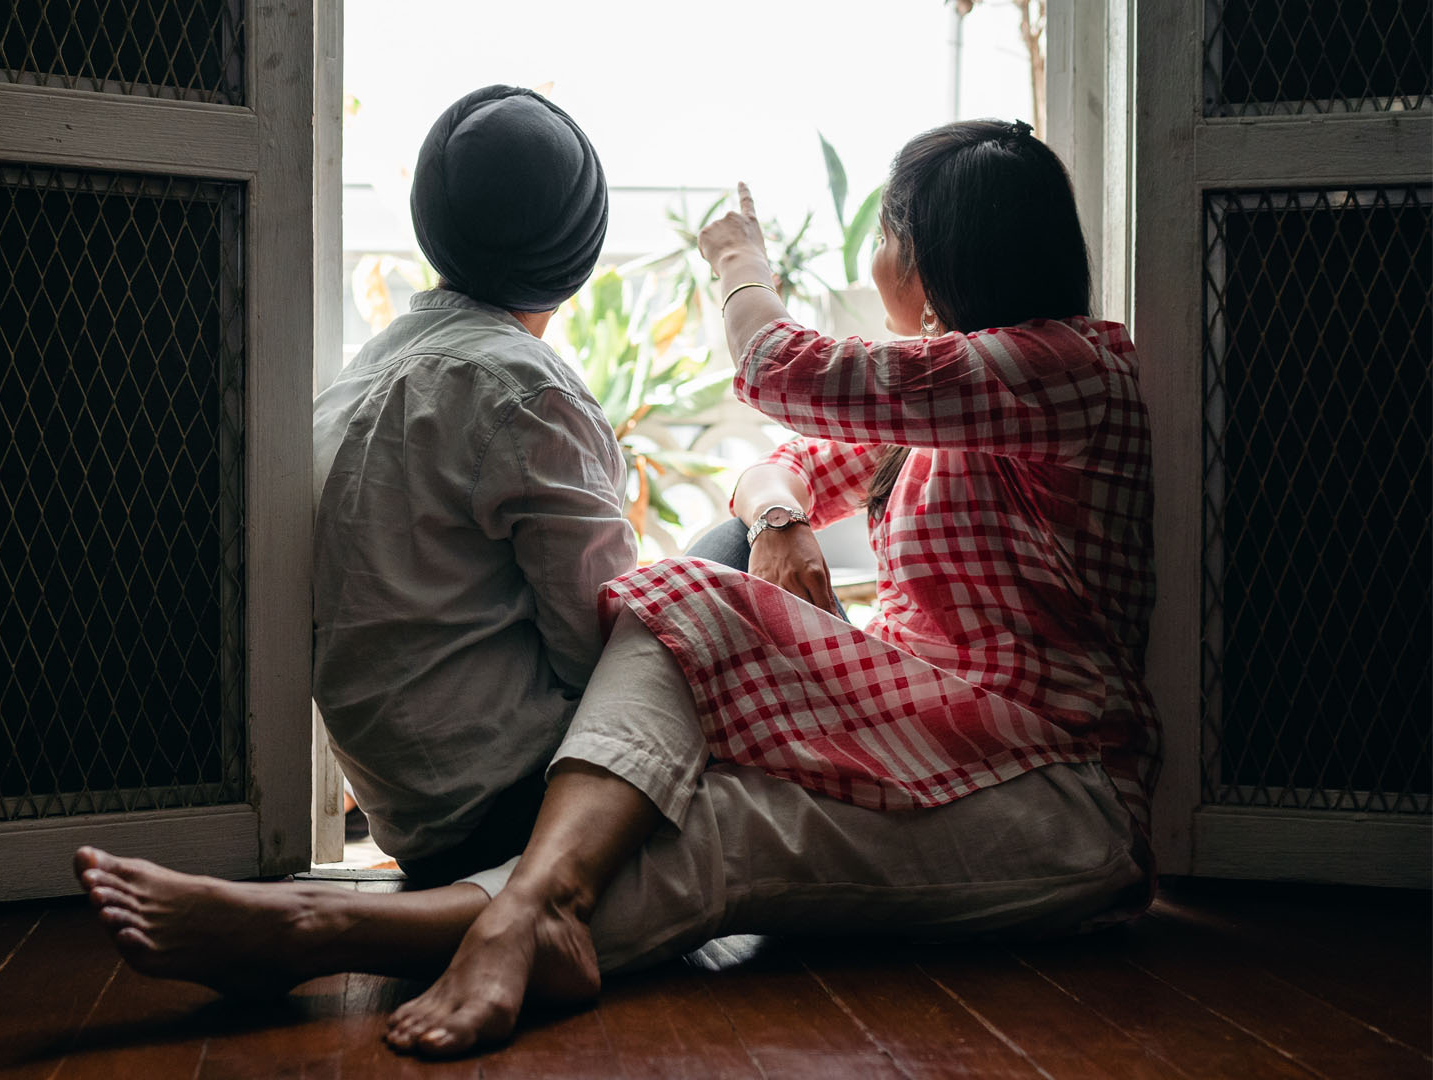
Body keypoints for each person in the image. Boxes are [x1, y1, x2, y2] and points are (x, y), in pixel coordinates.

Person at [71, 119, 1159, 1059]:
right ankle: (378, 928)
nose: (878, 252)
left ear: (935, 259)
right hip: (937, 745)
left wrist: (738, 263)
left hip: (1056, 793)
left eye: (889, 231)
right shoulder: (946, 401)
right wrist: (778, 520)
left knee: (696, 662)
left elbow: (782, 368)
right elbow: (773, 460)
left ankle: (365, 925)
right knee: (709, 722)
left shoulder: (1075, 370)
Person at [307, 85, 634, 886]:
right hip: (526, 810)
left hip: (415, 825)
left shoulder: (355, 382)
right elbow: (604, 652)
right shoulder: (528, 392)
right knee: (727, 561)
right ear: (576, 253)